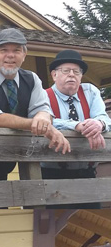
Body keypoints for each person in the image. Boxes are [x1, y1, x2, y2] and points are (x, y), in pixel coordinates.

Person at [0, 28, 71, 180]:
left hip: (6, 162)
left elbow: (43, 110)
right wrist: (39, 125)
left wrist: (44, 120)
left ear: (24, 54)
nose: (10, 55)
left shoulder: (32, 79)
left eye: (16, 50)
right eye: (4, 50)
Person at [42, 49, 110, 183]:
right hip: (52, 174)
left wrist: (98, 124)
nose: (72, 75)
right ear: (54, 75)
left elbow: (104, 117)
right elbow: (45, 122)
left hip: (88, 172)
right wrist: (77, 125)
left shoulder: (90, 91)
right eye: (66, 71)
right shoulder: (43, 95)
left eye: (77, 71)